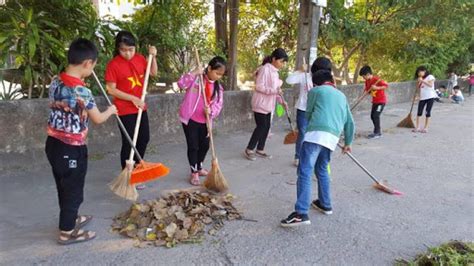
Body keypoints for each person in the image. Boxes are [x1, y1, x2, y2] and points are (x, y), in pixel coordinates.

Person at [45, 38, 117, 244]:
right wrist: (111, 110)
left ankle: (71, 217)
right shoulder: (82, 91)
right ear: (87, 63)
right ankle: (67, 232)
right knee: (74, 191)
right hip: (71, 148)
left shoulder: (55, 80)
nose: (91, 69)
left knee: (64, 186)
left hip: (53, 145)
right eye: (93, 65)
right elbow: (98, 119)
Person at [280, 69, 354, 227]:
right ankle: (325, 204)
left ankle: (301, 213)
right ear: (331, 81)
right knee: (322, 168)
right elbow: (350, 122)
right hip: (332, 138)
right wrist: (348, 142)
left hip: (315, 135)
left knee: (305, 171)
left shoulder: (315, 91)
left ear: (315, 82)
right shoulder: (342, 96)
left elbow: (308, 114)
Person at [104, 31, 158, 189]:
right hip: (124, 109)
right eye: (123, 50)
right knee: (129, 143)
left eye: (131, 49)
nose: (127, 53)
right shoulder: (113, 65)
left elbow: (153, 72)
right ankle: (127, 174)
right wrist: (133, 98)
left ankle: (136, 170)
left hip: (140, 107)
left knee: (144, 138)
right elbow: (111, 90)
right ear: (118, 49)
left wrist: (153, 57)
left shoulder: (141, 59)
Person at [177, 56, 226, 186]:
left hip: (206, 121)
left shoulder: (218, 88)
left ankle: (199, 166)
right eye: (217, 73)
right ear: (209, 68)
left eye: (221, 75)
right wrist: (193, 72)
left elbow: (218, 105)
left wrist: (211, 112)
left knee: (204, 145)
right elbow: (181, 84)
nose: (218, 76)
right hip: (190, 119)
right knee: (193, 145)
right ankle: (194, 172)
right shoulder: (196, 79)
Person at [286, 57, 332, 167]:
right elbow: (289, 80)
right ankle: (298, 156)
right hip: (303, 109)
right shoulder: (305, 76)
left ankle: (312, 158)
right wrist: (300, 70)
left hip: (318, 111)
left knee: (315, 135)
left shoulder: (327, 80)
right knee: (302, 133)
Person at [244, 48, 288, 161]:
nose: (282, 64)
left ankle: (260, 149)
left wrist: (282, 101)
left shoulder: (275, 73)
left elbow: (276, 90)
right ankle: (249, 149)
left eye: (284, 62)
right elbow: (259, 86)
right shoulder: (264, 69)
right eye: (281, 61)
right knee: (261, 126)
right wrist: (274, 91)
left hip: (269, 104)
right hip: (260, 103)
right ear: (274, 59)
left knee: (267, 126)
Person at [359, 65, 389, 139]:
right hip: (375, 101)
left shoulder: (376, 79)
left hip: (381, 101)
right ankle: (376, 131)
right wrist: (361, 97)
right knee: (372, 116)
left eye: (363, 76)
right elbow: (367, 90)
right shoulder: (367, 81)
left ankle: (378, 133)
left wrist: (377, 87)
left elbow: (386, 86)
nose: (363, 78)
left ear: (368, 74)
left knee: (376, 115)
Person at [413, 66, 437, 133]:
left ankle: (426, 128)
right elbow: (418, 88)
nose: (419, 74)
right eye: (418, 73)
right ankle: (417, 127)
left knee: (427, 112)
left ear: (424, 71)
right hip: (422, 98)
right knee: (419, 112)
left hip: (430, 97)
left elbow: (430, 85)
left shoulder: (430, 77)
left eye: (420, 72)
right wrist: (418, 83)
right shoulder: (420, 79)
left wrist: (422, 81)